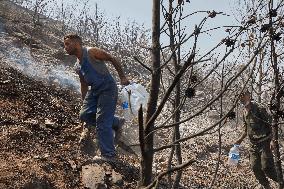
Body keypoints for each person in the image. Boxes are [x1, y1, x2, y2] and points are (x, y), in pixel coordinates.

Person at [63, 34, 129, 160]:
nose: (65, 48)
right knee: (84, 115)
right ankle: (116, 122)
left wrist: (122, 77)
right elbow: (83, 84)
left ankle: (109, 155)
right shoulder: (77, 65)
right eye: (64, 45)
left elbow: (111, 58)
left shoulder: (91, 52)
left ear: (77, 43)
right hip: (94, 91)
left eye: (67, 44)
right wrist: (85, 103)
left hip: (107, 89)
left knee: (102, 123)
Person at [234, 90, 278, 189]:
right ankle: (266, 186)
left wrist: (272, 140)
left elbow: (272, 124)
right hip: (253, 144)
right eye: (240, 97)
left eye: (243, 96)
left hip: (265, 142)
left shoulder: (259, 108)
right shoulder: (244, 112)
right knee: (255, 167)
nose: (241, 98)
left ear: (249, 96)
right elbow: (246, 130)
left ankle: (281, 182)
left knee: (267, 168)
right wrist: (239, 140)